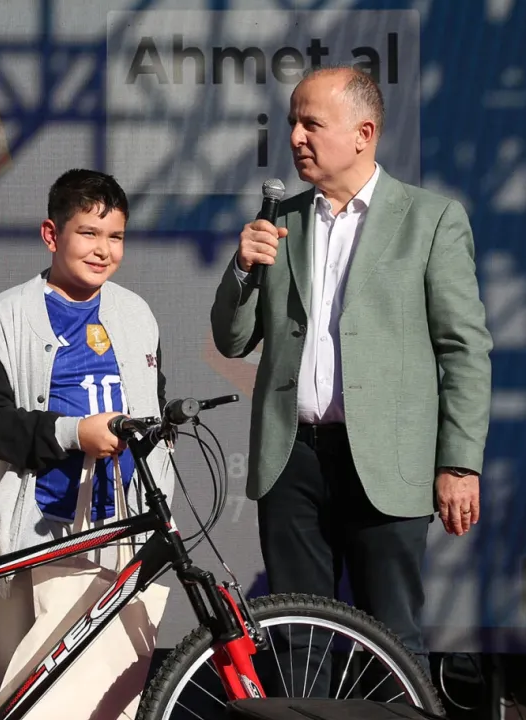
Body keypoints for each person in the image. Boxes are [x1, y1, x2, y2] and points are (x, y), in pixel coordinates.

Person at [210, 66, 492, 665]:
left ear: (364, 133)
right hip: (292, 458)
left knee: (391, 642)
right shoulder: (280, 221)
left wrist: (459, 462)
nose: (295, 137)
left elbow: (464, 349)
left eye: (311, 124)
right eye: (292, 123)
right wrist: (241, 269)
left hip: (387, 460)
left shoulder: (431, 219)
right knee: (297, 640)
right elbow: (232, 341)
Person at [0, 169, 173, 695]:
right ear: (51, 234)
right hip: (35, 529)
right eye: (88, 233)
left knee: (109, 691)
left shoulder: (137, 313)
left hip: (120, 525)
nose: (103, 249)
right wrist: (74, 433)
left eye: (115, 236)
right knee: (27, 689)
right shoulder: (6, 317)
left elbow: (154, 404)